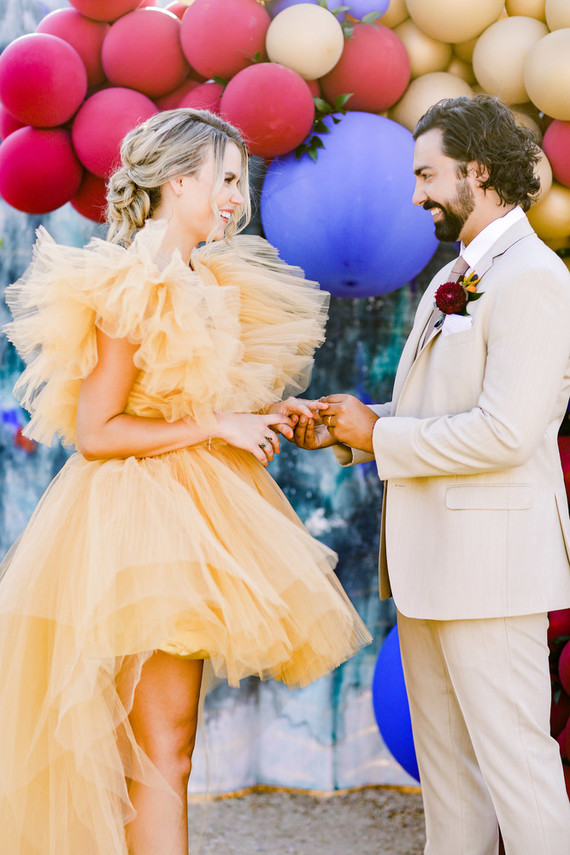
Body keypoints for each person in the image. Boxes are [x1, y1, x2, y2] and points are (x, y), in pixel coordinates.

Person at [0, 108, 371, 855]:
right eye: (225, 179)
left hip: (192, 516)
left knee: (167, 747)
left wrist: (263, 413)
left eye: (239, 181)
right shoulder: (130, 284)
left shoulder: (211, 276)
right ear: (176, 180)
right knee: (161, 749)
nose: (237, 197)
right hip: (137, 528)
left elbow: (190, 401)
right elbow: (100, 431)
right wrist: (218, 427)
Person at [294, 95, 570, 854]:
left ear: (477, 172)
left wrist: (380, 435)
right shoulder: (460, 273)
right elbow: (440, 410)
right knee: (449, 778)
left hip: (492, 571)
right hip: (431, 568)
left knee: (518, 767)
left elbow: (507, 431)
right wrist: (353, 425)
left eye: (426, 174)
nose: (415, 195)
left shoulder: (534, 277)